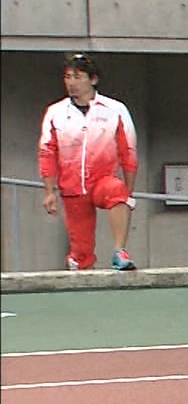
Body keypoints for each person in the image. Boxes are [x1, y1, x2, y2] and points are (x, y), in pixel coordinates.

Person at [38, 53, 139, 272]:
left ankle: (119, 251)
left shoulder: (114, 109)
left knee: (116, 191)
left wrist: (128, 190)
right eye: (68, 77)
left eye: (78, 77)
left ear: (93, 79)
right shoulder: (55, 112)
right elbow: (47, 151)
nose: (71, 83)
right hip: (72, 187)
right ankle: (79, 266)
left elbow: (128, 150)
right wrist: (49, 191)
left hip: (102, 179)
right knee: (81, 254)